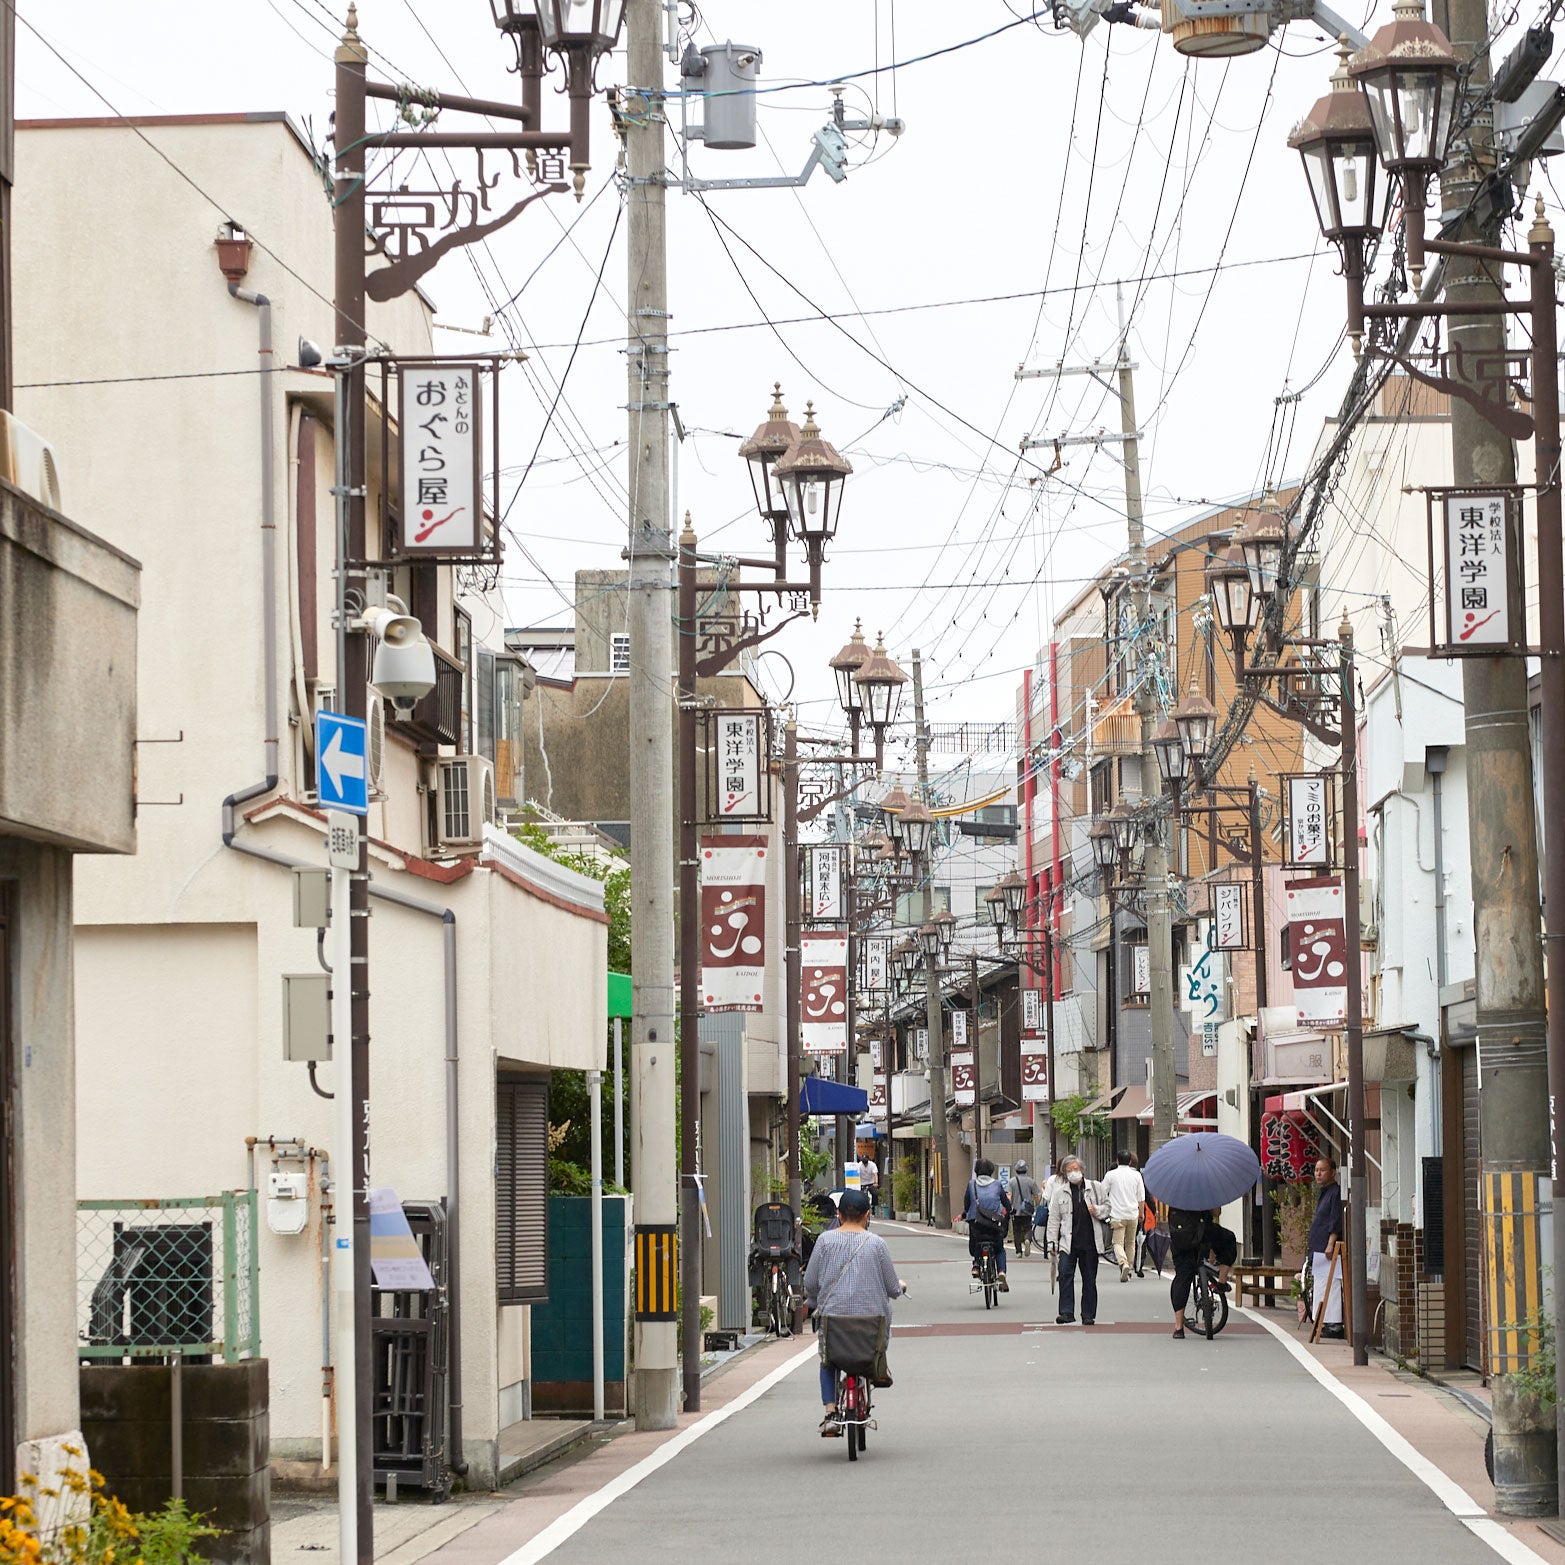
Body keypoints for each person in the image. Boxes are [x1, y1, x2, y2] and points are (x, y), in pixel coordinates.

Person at [803, 1188, 905, 1436]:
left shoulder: (824, 1241)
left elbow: (810, 1283)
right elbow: (892, 1288)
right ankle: (879, 1369)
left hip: (834, 1324)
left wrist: (817, 1297)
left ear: (838, 1215)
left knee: (828, 1360)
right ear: (868, 1215)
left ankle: (829, 1412)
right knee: (882, 1320)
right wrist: (900, 1287)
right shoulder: (877, 1244)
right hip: (871, 1327)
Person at [1046, 1154, 1109, 1325]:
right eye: (1069, 1171)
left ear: (1082, 1170)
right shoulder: (1060, 1192)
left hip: (1090, 1242)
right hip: (1068, 1243)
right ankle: (1066, 1312)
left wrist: (1096, 1210)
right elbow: (1054, 1219)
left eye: (1075, 1169)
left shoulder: (1095, 1187)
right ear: (1065, 1174)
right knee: (1065, 1275)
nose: (1073, 1173)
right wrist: (1052, 1242)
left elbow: (1107, 1208)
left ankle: (1088, 1314)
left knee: (1089, 1279)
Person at [961, 1158, 1013, 1291]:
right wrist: (1010, 1210)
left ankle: (976, 1265)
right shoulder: (997, 1184)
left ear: (976, 1171)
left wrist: (966, 1213)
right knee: (999, 1248)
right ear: (991, 1171)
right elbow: (1006, 1203)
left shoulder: (971, 1185)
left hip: (976, 1222)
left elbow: (967, 1204)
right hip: (993, 1223)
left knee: (976, 1243)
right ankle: (1001, 1272)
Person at [1308, 1155, 1345, 1340]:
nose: (1318, 1174)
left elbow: (1334, 1220)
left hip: (1328, 1248)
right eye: (1316, 1170)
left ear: (1332, 1172)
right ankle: (1321, 1321)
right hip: (1319, 1247)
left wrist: (1331, 1243)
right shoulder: (1325, 1192)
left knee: (1331, 1285)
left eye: (1322, 1170)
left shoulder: (1335, 1192)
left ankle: (1333, 1324)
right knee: (1321, 1285)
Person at [1102, 1150, 1146, 1283]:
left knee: (1117, 1243)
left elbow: (1102, 1192)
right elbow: (1141, 1196)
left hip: (1117, 1214)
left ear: (1117, 1160)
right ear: (1130, 1162)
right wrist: (1141, 1212)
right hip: (1132, 1213)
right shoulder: (1137, 1175)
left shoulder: (1111, 1175)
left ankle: (1123, 1263)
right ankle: (1130, 1268)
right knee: (1131, 1243)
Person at [1167, 1204, 1210, 1339]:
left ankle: (1179, 1327)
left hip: (1181, 1239)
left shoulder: (1175, 1191)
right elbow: (1217, 1213)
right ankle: (1220, 1280)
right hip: (1201, 1236)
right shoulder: (1205, 1189)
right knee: (1226, 1238)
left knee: (1182, 1277)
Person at [1010, 1159, 1042, 1257]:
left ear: (1016, 1170)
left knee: (1017, 1231)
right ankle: (1027, 1239)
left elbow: (1009, 1195)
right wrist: (1037, 1205)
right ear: (1026, 1170)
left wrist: (1009, 1207)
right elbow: (1036, 1195)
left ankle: (1018, 1252)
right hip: (1027, 1210)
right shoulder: (1031, 1181)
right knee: (1028, 1227)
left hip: (1015, 1210)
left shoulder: (1012, 1181)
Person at [859, 1149, 880, 1214]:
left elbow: (875, 1174)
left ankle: (874, 1206)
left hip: (871, 1183)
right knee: (860, 1195)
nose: (865, 1164)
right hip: (862, 1183)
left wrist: (876, 1182)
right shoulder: (859, 1165)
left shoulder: (872, 1165)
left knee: (875, 1194)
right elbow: (856, 1174)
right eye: (863, 1162)